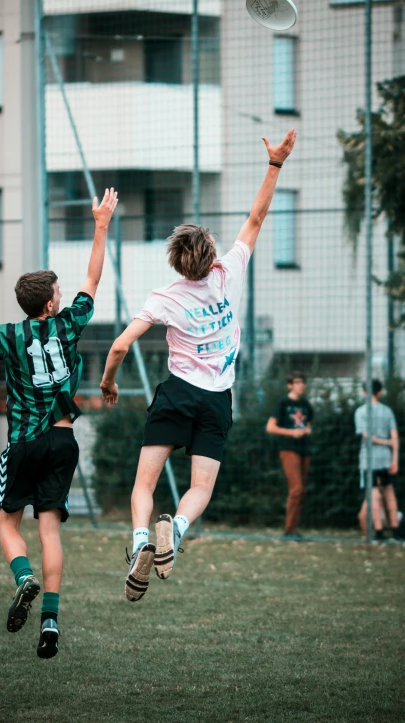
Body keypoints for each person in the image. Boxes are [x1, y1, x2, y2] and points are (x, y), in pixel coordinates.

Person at [100, 130, 297, 601]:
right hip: (216, 398)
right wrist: (275, 165)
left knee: (144, 482)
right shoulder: (230, 272)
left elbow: (120, 347)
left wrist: (109, 382)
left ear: (177, 263)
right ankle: (178, 529)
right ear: (210, 256)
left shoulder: (165, 298)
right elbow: (256, 216)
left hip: (176, 393)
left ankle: (141, 543)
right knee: (201, 486)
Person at [0, 188, 118, 657]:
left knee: (7, 525)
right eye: (58, 292)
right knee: (50, 532)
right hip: (63, 443)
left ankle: (23, 579)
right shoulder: (68, 324)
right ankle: (50, 625)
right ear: (49, 304)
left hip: (23, 443)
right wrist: (101, 224)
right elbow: (93, 277)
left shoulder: (8, 334)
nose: (64, 295)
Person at [266, 371, 313, 540]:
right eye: (298, 382)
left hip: (304, 450)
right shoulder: (283, 403)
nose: (301, 385)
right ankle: (289, 530)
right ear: (290, 385)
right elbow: (270, 427)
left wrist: (307, 430)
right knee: (296, 489)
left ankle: (293, 529)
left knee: (301, 491)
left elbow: (308, 424)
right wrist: (292, 433)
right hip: (288, 449)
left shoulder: (306, 404)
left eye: (303, 382)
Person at [354, 379, 400, 541]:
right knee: (389, 492)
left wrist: (383, 441)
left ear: (363, 392)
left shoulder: (360, 412)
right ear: (379, 392)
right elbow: (395, 436)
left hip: (369, 458)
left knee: (373, 494)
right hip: (386, 457)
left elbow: (366, 437)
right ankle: (395, 529)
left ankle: (379, 531)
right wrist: (395, 458)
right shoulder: (387, 411)